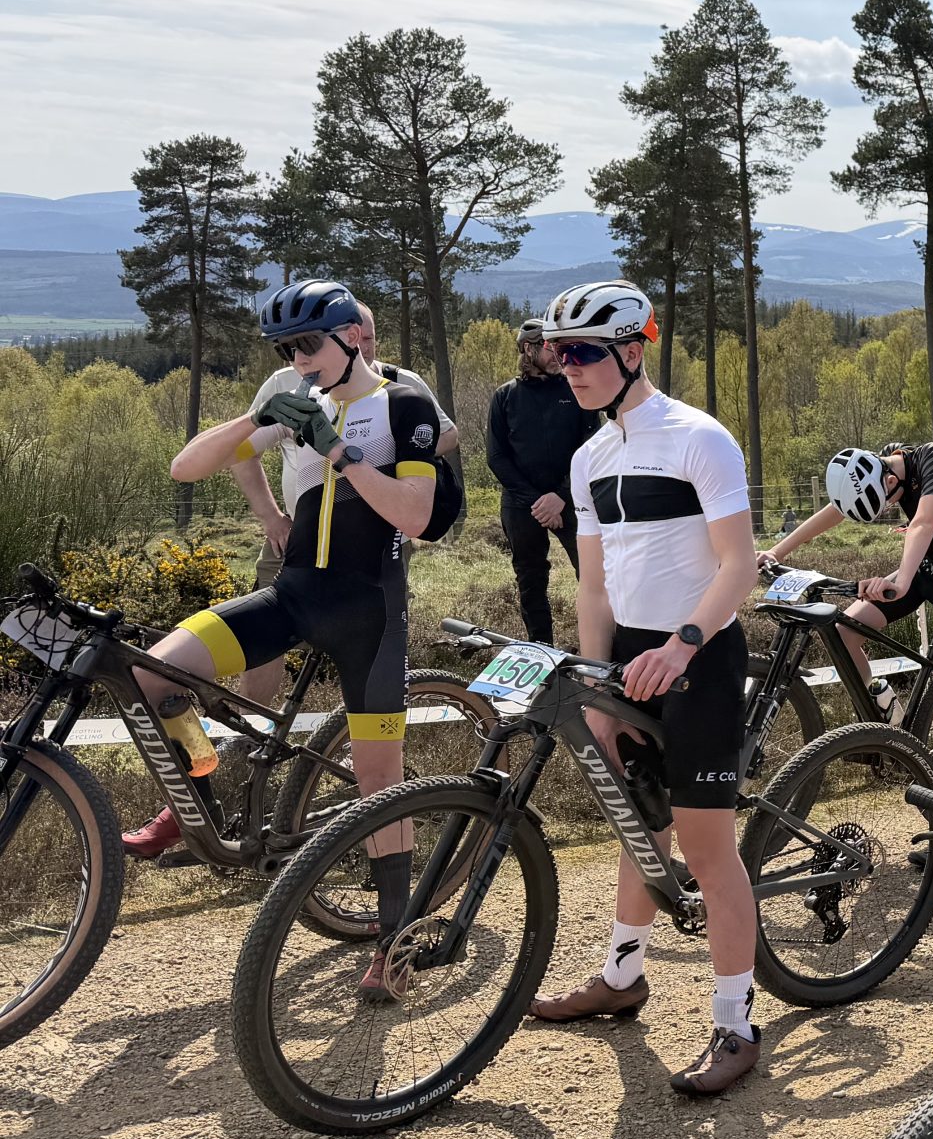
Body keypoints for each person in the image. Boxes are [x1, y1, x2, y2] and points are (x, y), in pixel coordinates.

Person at [128, 279, 439, 998]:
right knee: (151, 674)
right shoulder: (300, 399)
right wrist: (257, 417)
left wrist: (341, 453)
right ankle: (203, 794)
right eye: (285, 349)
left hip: (369, 612)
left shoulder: (404, 404)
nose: (297, 359)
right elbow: (184, 467)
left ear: (350, 338)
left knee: (379, 784)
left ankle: (394, 946)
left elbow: (418, 517)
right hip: (293, 596)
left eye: (307, 344)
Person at [523, 281, 766, 1095]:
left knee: (706, 848)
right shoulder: (588, 456)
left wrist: (683, 644)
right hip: (627, 660)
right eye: (558, 354)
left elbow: (740, 565)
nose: (566, 367)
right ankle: (622, 978)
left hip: (699, 657)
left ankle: (736, 1025)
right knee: (638, 829)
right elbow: (593, 588)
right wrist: (596, 688)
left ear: (632, 351)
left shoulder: (700, 438)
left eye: (582, 353)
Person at [223, 299, 457, 711]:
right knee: (263, 638)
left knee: (375, 637)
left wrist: (390, 457)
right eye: (300, 346)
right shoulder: (284, 381)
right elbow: (240, 452)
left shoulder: (402, 382)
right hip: (296, 534)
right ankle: (250, 724)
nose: (362, 347)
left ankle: (358, 727)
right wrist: (271, 518)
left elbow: (447, 434)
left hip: (379, 535)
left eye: (369, 339)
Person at [763, 439, 933, 798]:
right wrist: (777, 550)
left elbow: (924, 522)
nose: (889, 507)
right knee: (843, 631)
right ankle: (885, 706)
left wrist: (901, 581)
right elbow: (837, 509)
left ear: (889, 481)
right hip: (924, 571)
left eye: (886, 502)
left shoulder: (932, 458)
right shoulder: (883, 462)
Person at [485, 317, 600, 645]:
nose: (559, 357)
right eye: (551, 348)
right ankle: (542, 650)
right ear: (528, 349)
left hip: (573, 499)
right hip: (522, 504)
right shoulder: (505, 396)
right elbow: (496, 457)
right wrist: (538, 502)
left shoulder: (575, 389)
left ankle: (600, 649)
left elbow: (592, 447)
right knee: (531, 581)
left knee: (594, 575)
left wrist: (561, 495)